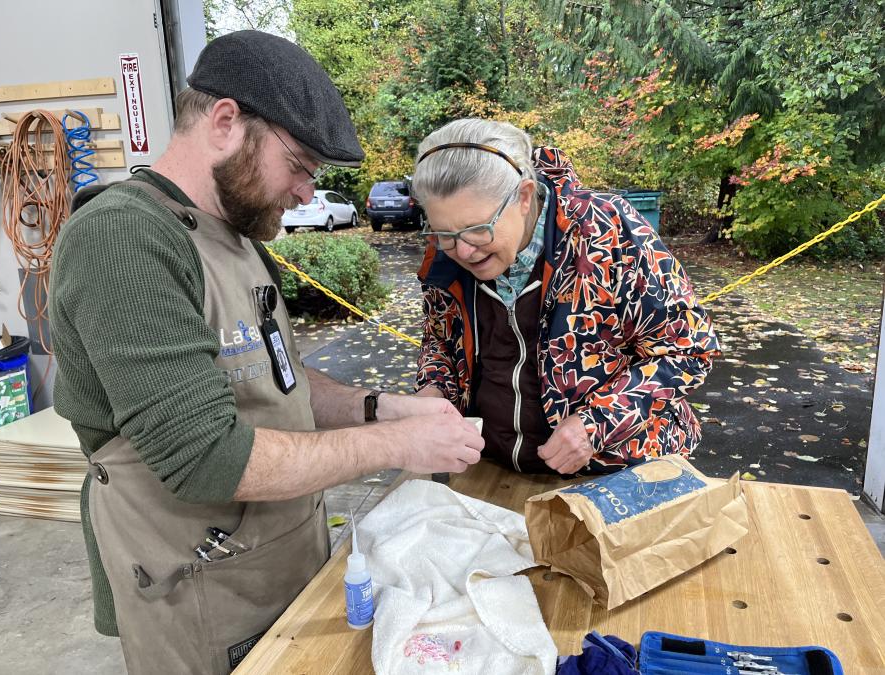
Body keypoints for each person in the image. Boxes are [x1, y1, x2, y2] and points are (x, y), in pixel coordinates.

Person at [49, 31, 483, 675]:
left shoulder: (239, 240)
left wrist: (383, 408)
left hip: (280, 558)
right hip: (197, 588)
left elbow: (271, 377)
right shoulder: (123, 238)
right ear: (226, 122)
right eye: (301, 164)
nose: (308, 192)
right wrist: (398, 449)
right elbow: (205, 458)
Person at [413, 119, 720, 476]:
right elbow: (440, 341)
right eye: (443, 233)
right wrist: (434, 389)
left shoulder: (608, 232)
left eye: (478, 229)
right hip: (492, 470)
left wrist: (597, 424)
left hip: (620, 472)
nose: (462, 251)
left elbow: (689, 349)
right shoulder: (444, 252)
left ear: (524, 196)